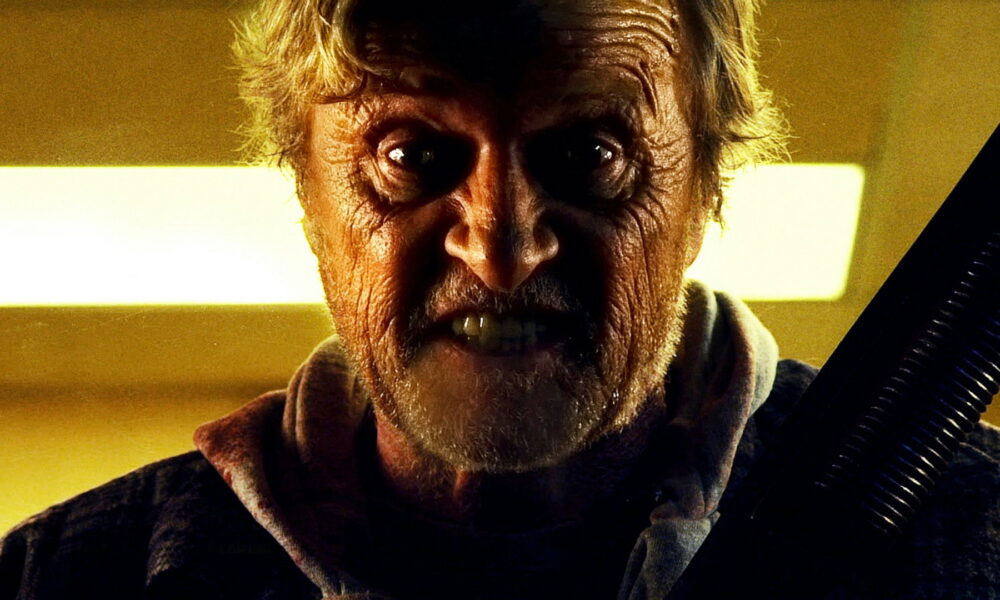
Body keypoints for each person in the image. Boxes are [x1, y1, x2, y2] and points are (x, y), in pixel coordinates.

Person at [2, 0, 997, 598]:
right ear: (307, 194)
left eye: (590, 152)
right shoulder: (62, 580)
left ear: (707, 188)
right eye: (409, 154)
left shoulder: (979, 539)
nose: (504, 248)